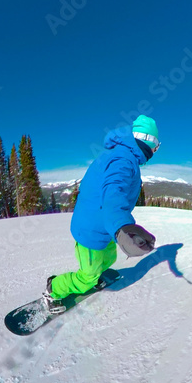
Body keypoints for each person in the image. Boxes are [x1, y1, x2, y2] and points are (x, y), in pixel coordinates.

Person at [42, 115, 160, 313]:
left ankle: (94, 276)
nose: (156, 150)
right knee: (87, 276)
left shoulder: (124, 155)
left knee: (109, 259)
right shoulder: (122, 161)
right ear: (148, 140)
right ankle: (54, 289)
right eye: (157, 144)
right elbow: (112, 194)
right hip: (91, 231)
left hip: (103, 225)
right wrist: (124, 227)